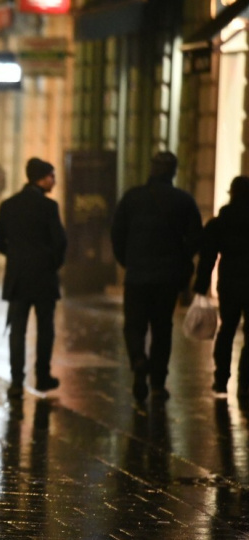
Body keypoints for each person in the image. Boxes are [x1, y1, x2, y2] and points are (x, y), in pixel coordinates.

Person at [111, 151, 202, 402]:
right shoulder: (183, 201)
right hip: (167, 278)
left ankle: (139, 360)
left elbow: (117, 233)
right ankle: (158, 384)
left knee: (134, 325)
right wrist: (181, 260)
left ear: (151, 170)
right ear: (173, 171)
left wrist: (126, 260)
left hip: (137, 275)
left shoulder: (132, 198)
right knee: (162, 329)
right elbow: (196, 238)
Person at [0, 157, 67, 399]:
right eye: (51, 176)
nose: (54, 181)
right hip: (44, 277)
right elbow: (60, 243)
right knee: (45, 329)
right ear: (42, 178)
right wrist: (52, 263)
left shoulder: (8, 205)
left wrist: (15, 256)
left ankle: (16, 381)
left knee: (17, 330)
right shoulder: (49, 207)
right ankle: (43, 377)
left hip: (17, 277)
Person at [192, 176, 249, 397]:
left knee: (226, 330)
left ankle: (221, 378)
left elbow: (208, 256)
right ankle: (245, 382)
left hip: (229, 283)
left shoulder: (220, 222)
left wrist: (201, 284)